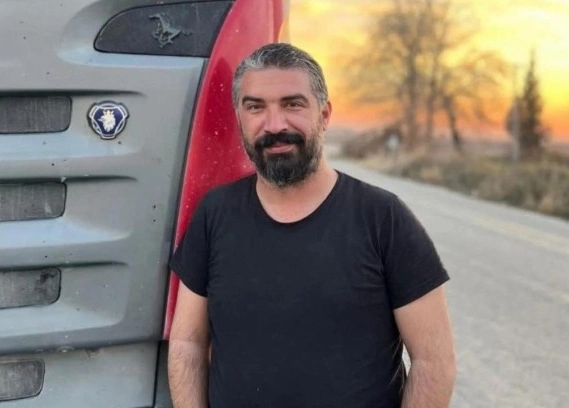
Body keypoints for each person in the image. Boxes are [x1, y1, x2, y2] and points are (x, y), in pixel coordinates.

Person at [167, 42, 456, 408]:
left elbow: (434, 362)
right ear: (239, 118)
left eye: (292, 104)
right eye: (255, 107)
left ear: (324, 114)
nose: (275, 125)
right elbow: (187, 343)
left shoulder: (384, 218)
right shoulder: (214, 214)